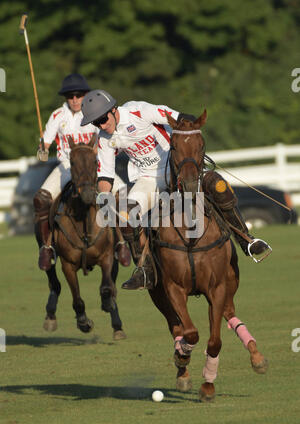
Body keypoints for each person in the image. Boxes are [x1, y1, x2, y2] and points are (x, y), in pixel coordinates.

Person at [80, 89, 272, 290]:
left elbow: (180, 117)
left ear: (112, 110)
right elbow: (105, 176)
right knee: (126, 214)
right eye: (95, 122)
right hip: (148, 179)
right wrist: (103, 196)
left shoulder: (140, 111)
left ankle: (246, 240)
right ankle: (145, 269)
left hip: (178, 168)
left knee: (218, 185)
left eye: (102, 119)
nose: (101, 125)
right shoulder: (104, 138)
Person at [33, 74, 130, 271]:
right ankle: (47, 247)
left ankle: (122, 243)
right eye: (71, 96)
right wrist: (42, 148)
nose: (75, 99)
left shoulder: (95, 111)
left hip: (97, 165)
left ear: (85, 95)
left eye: (79, 95)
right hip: (68, 167)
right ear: (66, 98)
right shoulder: (57, 116)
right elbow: (47, 141)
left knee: (123, 195)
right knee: (41, 200)